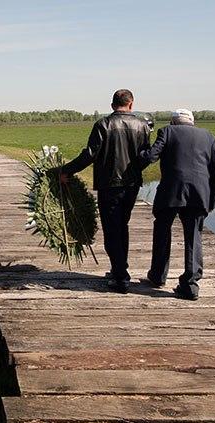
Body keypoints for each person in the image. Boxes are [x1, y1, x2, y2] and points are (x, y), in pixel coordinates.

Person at [58, 89, 151, 293]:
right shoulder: (143, 126)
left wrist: (66, 170)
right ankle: (119, 269)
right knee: (122, 226)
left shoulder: (103, 124)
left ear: (112, 105)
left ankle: (120, 278)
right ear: (131, 104)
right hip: (132, 185)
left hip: (110, 185)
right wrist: (134, 172)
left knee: (112, 230)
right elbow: (145, 156)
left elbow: (90, 154)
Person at [140, 109, 215, 300]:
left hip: (170, 192)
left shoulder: (167, 131)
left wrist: (142, 146)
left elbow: (151, 157)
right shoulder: (209, 137)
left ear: (173, 122)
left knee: (162, 231)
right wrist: (213, 199)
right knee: (194, 237)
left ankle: (158, 276)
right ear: (192, 122)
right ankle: (190, 285)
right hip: (199, 194)